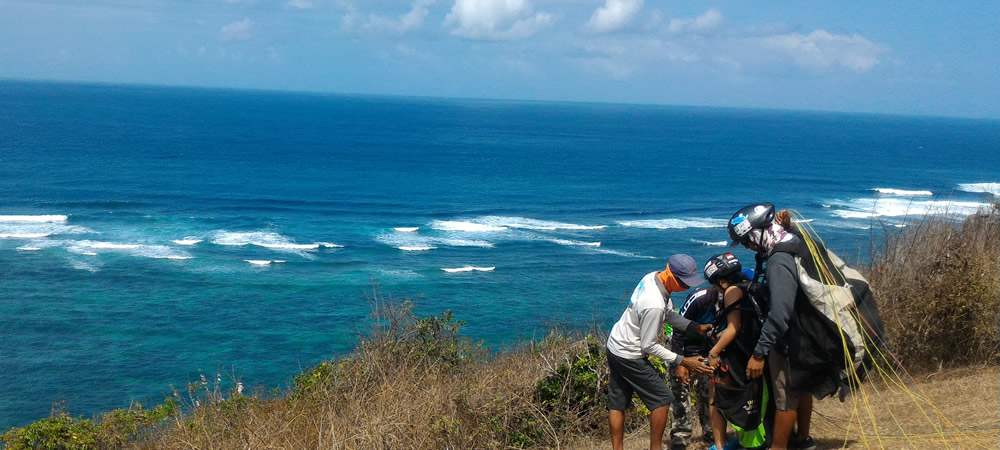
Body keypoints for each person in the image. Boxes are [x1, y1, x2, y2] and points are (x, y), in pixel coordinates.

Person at [727, 203, 816, 450]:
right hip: (806, 332)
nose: (747, 246)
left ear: (759, 232)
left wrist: (758, 353)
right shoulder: (794, 241)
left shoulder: (778, 260)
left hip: (787, 338)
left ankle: (779, 446)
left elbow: (779, 313)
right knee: (801, 388)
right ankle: (803, 439)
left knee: (784, 394)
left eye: (747, 240)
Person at [606, 254, 714, 450]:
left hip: (615, 343)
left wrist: (693, 327)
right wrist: (683, 360)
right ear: (670, 274)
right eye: (684, 283)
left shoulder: (652, 278)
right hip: (629, 353)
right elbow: (649, 345)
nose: (687, 287)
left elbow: (668, 313)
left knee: (618, 403)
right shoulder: (654, 303)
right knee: (662, 400)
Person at [667, 285, 719, 450]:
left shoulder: (734, 300)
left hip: (707, 349)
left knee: (708, 392)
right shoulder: (700, 297)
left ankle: (711, 435)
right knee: (679, 393)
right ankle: (680, 438)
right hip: (681, 347)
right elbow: (678, 329)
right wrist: (680, 362)